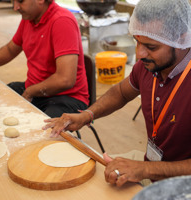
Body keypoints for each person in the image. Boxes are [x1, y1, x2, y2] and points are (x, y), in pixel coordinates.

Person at [43, 0, 191, 187]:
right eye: (136, 42)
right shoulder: (148, 66)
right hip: (156, 170)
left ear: (181, 38)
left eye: (151, 47)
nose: (139, 54)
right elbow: (121, 93)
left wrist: (145, 169)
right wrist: (88, 115)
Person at [0, 0, 89, 118]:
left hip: (67, 97)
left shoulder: (62, 21)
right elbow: (10, 50)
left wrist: (30, 92)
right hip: (37, 89)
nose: (15, 7)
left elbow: (65, 80)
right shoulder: (29, 17)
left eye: (20, 1)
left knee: (43, 132)